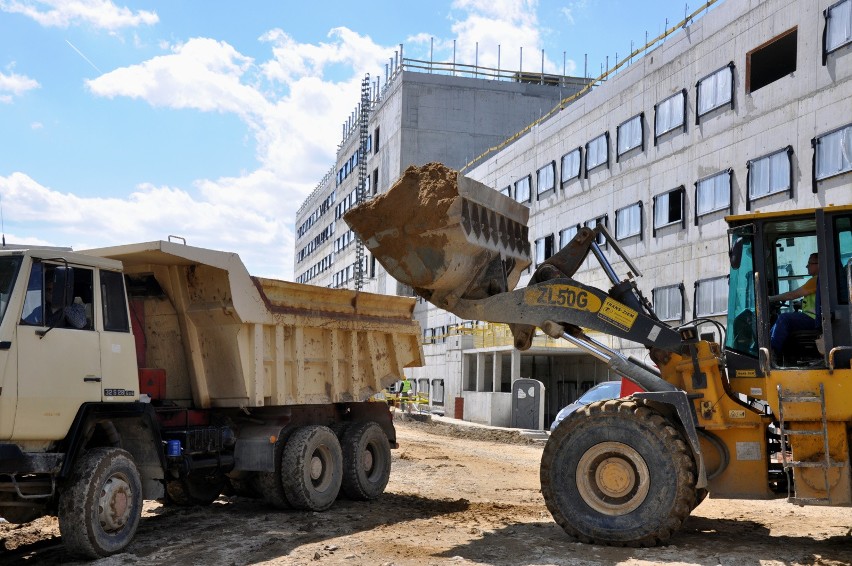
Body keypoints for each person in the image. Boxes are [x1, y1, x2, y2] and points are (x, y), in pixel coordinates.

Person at [769, 252, 820, 357]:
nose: (807, 266)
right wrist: (802, 304)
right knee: (780, 321)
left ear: (819, 264)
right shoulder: (820, 280)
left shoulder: (816, 280)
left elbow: (791, 295)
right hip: (815, 317)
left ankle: (771, 353)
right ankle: (768, 345)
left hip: (814, 319)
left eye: (810, 263)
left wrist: (770, 299)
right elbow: (817, 301)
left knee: (784, 319)